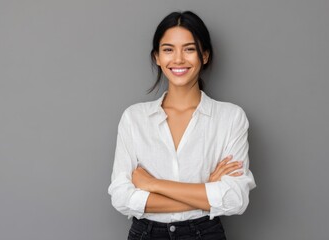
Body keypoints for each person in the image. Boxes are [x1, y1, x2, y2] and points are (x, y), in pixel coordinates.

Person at [108, 11, 256, 240]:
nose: (178, 59)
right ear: (157, 57)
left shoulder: (230, 117)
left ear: (204, 55)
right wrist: (206, 190)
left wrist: (152, 184)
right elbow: (121, 197)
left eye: (189, 49)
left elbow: (234, 199)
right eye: (168, 49)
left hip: (205, 233)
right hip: (146, 234)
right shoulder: (134, 118)